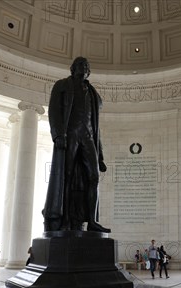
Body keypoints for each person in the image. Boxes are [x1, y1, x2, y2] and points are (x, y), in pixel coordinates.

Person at [43, 56, 110, 233]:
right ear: (73, 68)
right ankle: (64, 219)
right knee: (67, 177)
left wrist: (100, 156)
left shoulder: (94, 94)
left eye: (86, 65)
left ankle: (92, 220)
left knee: (93, 177)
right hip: (70, 134)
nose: (84, 67)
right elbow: (54, 112)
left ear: (89, 71)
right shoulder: (62, 85)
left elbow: (96, 128)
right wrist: (58, 135)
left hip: (88, 137)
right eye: (80, 65)